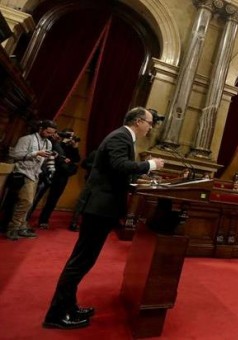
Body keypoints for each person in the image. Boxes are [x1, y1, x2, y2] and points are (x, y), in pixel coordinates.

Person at [43, 107, 165, 329]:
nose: (151, 126)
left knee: (84, 260)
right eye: (149, 122)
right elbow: (120, 166)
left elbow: (115, 171)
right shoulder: (121, 136)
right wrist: (149, 165)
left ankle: (69, 306)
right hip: (99, 208)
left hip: (102, 208)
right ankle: (56, 314)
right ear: (138, 121)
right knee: (80, 262)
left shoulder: (123, 136)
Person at [2, 120, 57, 240]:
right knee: (26, 202)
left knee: (28, 203)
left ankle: (21, 227)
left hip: (36, 174)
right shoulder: (26, 139)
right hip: (22, 172)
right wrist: (36, 153)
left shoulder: (48, 143)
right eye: (48, 132)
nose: (49, 135)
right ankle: (13, 228)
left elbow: (45, 159)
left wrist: (51, 158)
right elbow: (15, 155)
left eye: (51, 133)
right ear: (41, 128)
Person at [31, 128, 81, 229]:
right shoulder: (54, 143)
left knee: (53, 199)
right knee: (36, 196)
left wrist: (75, 147)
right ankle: (26, 216)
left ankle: (43, 220)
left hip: (62, 176)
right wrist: (61, 144)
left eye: (72, 136)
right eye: (68, 135)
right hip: (49, 172)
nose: (70, 138)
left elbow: (76, 160)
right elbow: (53, 154)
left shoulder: (71, 147)